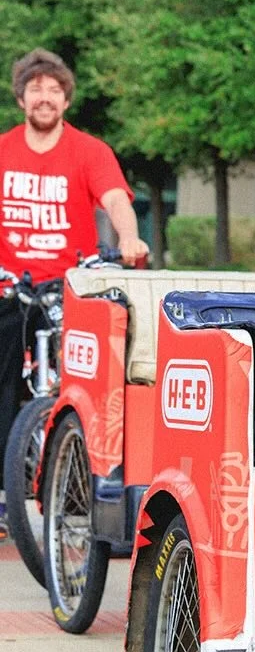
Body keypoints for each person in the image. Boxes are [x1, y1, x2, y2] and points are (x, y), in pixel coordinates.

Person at [0, 48, 148, 467]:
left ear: (66, 100)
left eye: (53, 89)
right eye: (35, 89)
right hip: (10, 285)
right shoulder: (3, 149)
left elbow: (116, 201)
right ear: (21, 99)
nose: (44, 97)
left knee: (88, 381)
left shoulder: (89, 151)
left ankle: (84, 473)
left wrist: (131, 238)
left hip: (72, 287)